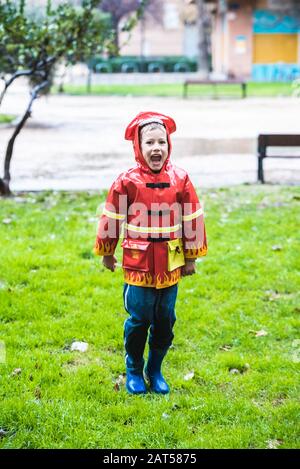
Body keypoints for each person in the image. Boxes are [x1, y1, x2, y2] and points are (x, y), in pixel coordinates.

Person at [94, 111, 207, 395]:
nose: (156, 148)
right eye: (149, 143)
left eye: (162, 142)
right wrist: (107, 252)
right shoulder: (127, 181)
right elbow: (112, 217)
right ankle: (133, 368)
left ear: (169, 145)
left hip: (170, 263)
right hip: (138, 264)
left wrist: (191, 257)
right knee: (139, 317)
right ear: (138, 147)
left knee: (165, 320)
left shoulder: (180, 178)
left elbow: (192, 216)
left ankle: (154, 369)